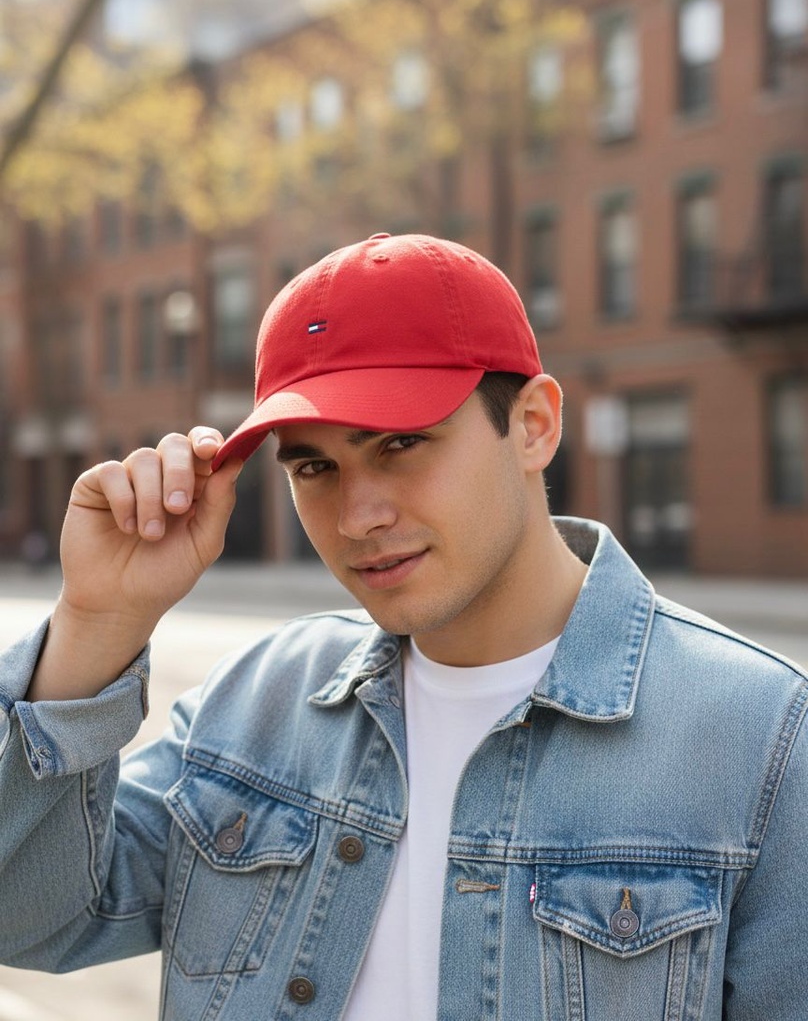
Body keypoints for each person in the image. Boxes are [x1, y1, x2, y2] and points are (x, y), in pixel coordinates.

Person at [0, 233, 806, 1021]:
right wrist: (98, 623)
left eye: (401, 443)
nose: (358, 516)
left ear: (533, 425)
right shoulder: (259, 702)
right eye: (315, 466)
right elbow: (29, 917)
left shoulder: (761, 741)